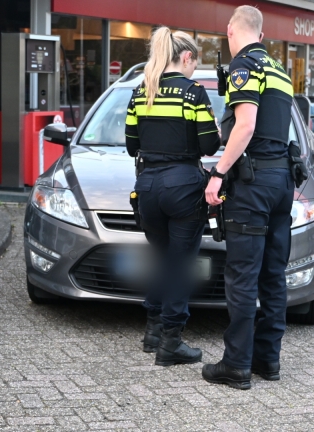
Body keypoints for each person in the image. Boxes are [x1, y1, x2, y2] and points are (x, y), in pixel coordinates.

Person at [201, 5, 295, 389]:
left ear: (230, 31)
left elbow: (246, 125)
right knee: (274, 275)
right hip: (281, 183)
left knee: (242, 276)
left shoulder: (245, 67)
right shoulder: (280, 72)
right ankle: (267, 361)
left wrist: (218, 173)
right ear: (262, 33)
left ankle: (236, 365)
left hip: (252, 186)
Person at [125, 27, 220, 367]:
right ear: (186, 57)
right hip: (183, 187)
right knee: (180, 266)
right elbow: (210, 145)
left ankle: (152, 331)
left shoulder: (141, 91)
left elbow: (132, 145)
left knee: (164, 260)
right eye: (195, 61)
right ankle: (171, 343)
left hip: (147, 186)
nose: (195, 68)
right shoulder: (193, 93)